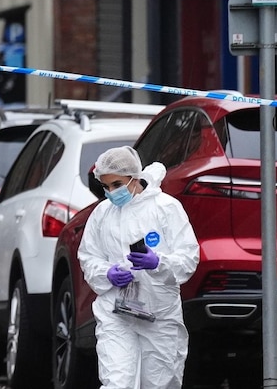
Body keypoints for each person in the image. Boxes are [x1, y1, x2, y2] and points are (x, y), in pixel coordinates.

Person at [78, 145, 200, 389]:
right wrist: (106, 273)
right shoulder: (103, 213)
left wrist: (159, 263)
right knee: (116, 382)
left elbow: (189, 258)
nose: (111, 192)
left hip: (160, 315)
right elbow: (88, 256)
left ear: (134, 177)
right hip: (116, 313)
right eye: (106, 186)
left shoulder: (166, 208)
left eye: (117, 184)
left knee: (160, 383)